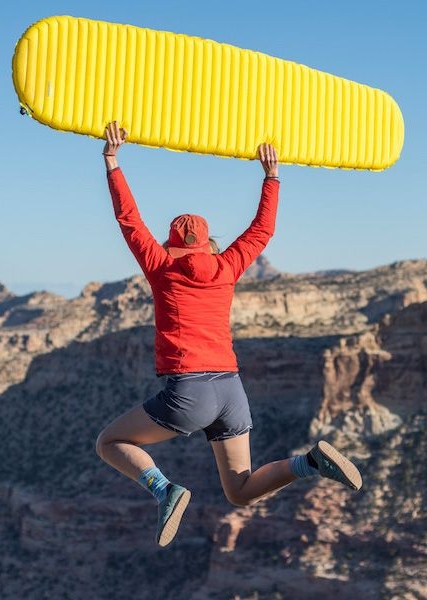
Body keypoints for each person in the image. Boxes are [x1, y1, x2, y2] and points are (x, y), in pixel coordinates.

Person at [94, 121, 364, 548]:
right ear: (208, 245)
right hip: (231, 389)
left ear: (172, 245)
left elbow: (129, 219)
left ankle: (165, 489)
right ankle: (309, 463)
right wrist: (271, 177)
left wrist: (112, 161)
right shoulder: (227, 266)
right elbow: (262, 230)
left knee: (109, 441)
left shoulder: (161, 267)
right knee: (240, 490)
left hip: (190, 391)